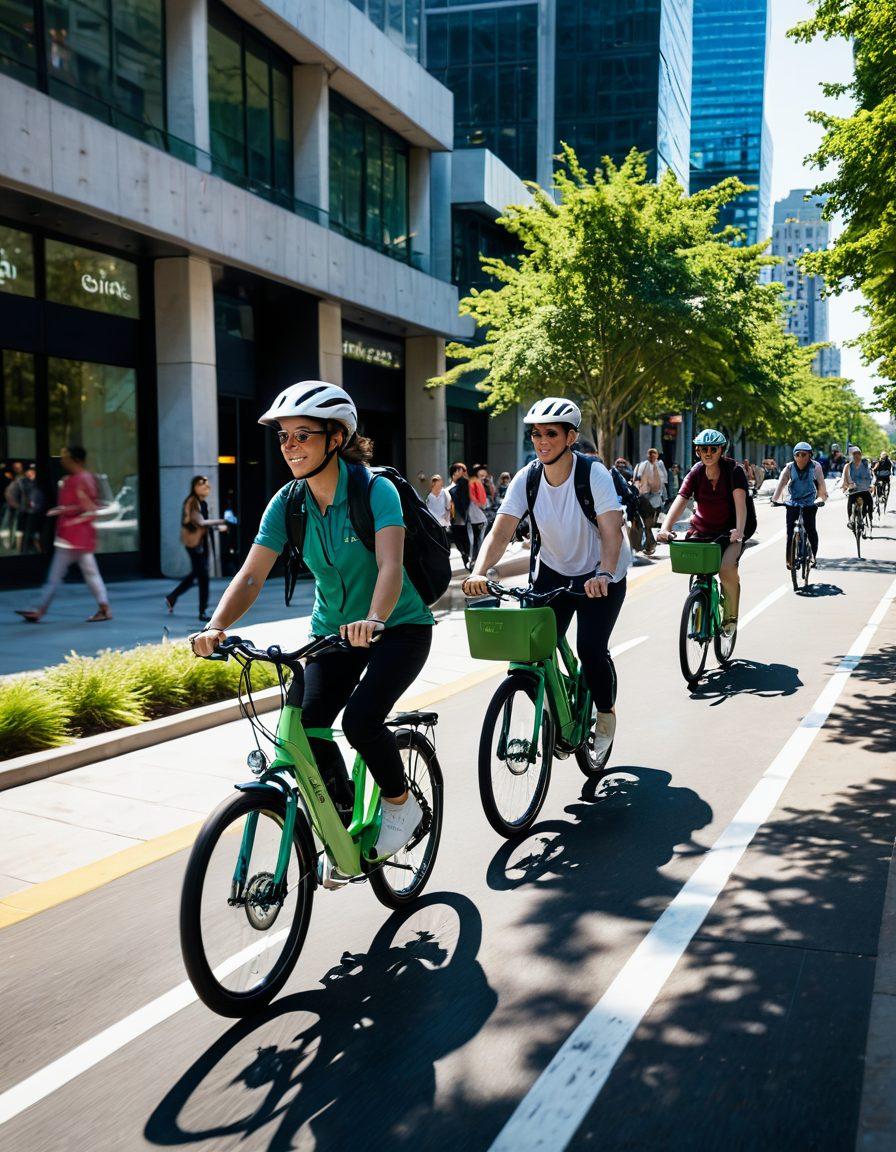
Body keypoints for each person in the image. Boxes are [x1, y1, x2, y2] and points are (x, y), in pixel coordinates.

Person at [189, 381, 433, 859]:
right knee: (306, 723)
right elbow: (253, 574)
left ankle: (402, 805)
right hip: (332, 633)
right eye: (283, 437)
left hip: (397, 628)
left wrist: (374, 620)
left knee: (362, 722)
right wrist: (215, 626)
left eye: (303, 435)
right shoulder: (289, 502)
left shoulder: (376, 490)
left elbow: (390, 566)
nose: (291, 446)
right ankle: (342, 825)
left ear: (336, 438)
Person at [464, 397, 631, 764]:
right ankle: (551, 706)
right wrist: (478, 572)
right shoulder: (528, 478)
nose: (542, 441)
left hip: (600, 572)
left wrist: (604, 573)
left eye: (551, 433)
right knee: (528, 649)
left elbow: (611, 531)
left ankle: (604, 714)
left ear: (571, 437)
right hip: (553, 571)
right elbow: (500, 530)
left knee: (589, 648)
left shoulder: (593, 474)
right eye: (536, 433)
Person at [657, 429, 748, 638]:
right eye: (703, 449)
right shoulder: (696, 472)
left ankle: (730, 618)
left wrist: (740, 531)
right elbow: (681, 500)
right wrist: (665, 528)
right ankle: (699, 602)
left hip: (730, 532)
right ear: (697, 451)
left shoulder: (734, 470)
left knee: (726, 569)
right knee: (698, 570)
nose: (708, 453)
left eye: (713, 449)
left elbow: (740, 502)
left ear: (721, 450)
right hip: (701, 530)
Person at [15, 445, 112, 623]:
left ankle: (40, 609)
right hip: (75, 536)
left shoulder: (81, 479)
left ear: (76, 460)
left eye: (65, 456)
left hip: (74, 535)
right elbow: (84, 506)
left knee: (58, 576)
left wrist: (64, 511)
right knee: (89, 574)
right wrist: (63, 510)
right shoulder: (75, 479)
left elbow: (87, 507)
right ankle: (104, 608)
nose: (62, 460)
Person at [164, 475, 228, 621]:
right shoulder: (192, 502)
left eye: (207, 485)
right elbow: (200, 522)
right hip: (194, 545)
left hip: (201, 543)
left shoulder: (202, 503)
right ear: (194, 487)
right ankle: (202, 612)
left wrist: (218, 528)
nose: (206, 487)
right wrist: (222, 521)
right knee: (203, 577)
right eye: (202, 484)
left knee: (196, 574)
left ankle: (172, 596)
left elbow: (204, 524)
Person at [772, 443, 828, 567]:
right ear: (794, 456)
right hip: (793, 501)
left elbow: (821, 485)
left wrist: (820, 498)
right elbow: (781, 483)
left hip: (810, 501)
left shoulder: (816, 466)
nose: (800, 457)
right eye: (797, 455)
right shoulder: (789, 467)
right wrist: (775, 499)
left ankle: (813, 555)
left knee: (811, 529)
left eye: (804, 454)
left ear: (810, 455)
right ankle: (789, 559)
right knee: (790, 531)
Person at [633, 447, 667, 555]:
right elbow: (637, 480)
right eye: (650, 454)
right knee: (647, 524)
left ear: (657, 455)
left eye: (654, 454)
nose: (652, 456)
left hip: (656, 499)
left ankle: (649, 544)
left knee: (651, 524)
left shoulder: (660, 465)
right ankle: (649, 545)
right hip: (645, 498)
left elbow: (663, 483)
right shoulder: (642, 466)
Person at [841, 446, 873, 531]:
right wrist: (845, 486)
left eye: (858, 453)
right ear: (851, 455)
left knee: (869, 502)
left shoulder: (865, 464)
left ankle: (865, 518)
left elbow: (871, 476)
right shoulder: (848, 466)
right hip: (853, 489)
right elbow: (844, 478)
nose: (857, 455)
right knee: (850, 503)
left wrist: (871, 485)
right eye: (854, 454)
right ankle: (851, 521)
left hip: (864, 489)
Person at [448, 462, 471, 568]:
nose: (464, 473)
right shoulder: (448, 490)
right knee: (459, 542)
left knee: (466, 541)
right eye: (461, 471)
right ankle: (465, 556)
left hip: (466, 518)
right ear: (455, 472)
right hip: (453, 520)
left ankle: (467, 558)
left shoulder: (465, 484)